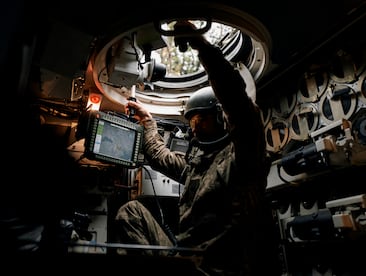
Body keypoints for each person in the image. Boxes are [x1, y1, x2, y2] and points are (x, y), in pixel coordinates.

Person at [114, 21, 280, 275]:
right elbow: (160, 156)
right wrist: (147, 120)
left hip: (216, 269)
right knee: (131, 213)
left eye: (198, 120)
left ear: (220, 117)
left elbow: (240, 107)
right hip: (184, 259)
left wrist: (200, 44)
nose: (193, 128)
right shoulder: (198, 165)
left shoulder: (242, 158)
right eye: (190, 121)